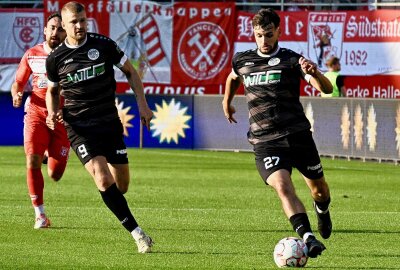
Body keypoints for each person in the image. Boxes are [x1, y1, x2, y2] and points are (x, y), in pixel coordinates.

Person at [222, 8, 333, 259]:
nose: (264, 40)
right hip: (265, 141)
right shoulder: (242, 60)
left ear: (279, 31)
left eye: (269, 34)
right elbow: (232, 78)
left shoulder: (293, 60)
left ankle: (322, 212)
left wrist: (315, 73)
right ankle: (308, 237)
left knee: (320, 191)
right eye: (259, 35)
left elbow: (326, 89)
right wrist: (226, 101)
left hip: (298, 136)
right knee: (282, 187)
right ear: (253, 33)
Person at [45, 1, 154, 253]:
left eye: (83, 20)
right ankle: (139, 235)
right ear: (64, 24)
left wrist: (142, 105)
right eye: (74, 22)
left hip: (108, 121)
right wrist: (52, 112)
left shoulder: (103, 45)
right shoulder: (56, 58)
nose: (80, 26)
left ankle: (118, 203)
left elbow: (130, 71)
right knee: (102, 179)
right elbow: (52, 90)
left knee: (122, 185)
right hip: (79, 126)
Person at [11, 13, 70, 229]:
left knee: (55, 174)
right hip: (36, 112)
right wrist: (16, 94)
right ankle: (40, 215)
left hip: (63, 118)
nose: (56, 32)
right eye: (52, 28)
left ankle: (52, 153)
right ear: (45, 30)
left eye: (60, 29)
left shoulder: (73, 56)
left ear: (67, 32)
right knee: (31, 161)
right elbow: (18, 82)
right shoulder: (32, 54)